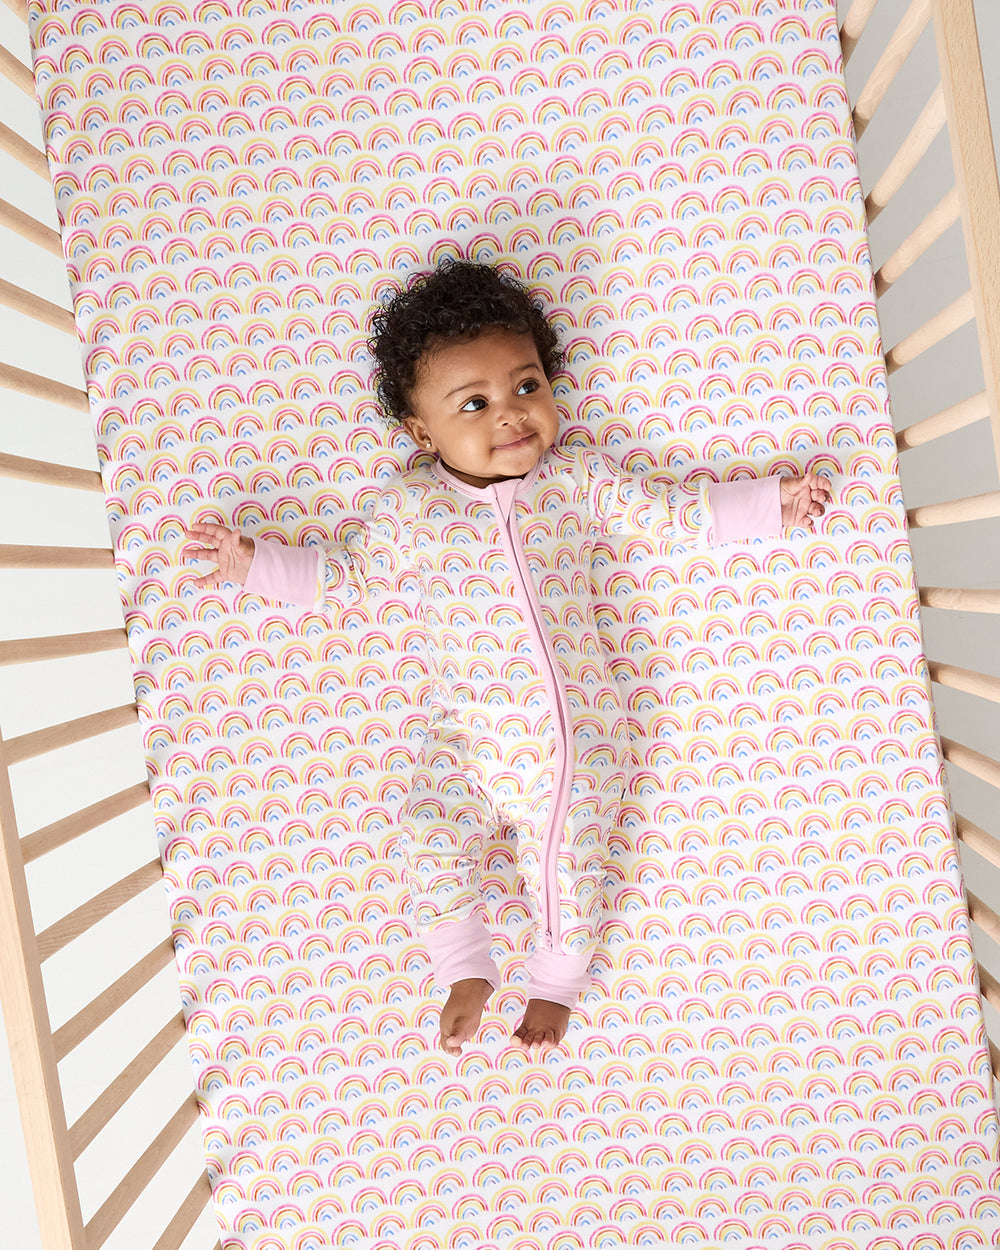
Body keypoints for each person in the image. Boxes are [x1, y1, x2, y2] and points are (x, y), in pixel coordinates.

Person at [184, 259, 831, 1055]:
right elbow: (342, 576)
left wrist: (772, 502)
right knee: (424, 824)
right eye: (475, 404)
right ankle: (464, 965)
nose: (511, 416)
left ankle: (555, 982)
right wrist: (249, 562)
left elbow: (671, 513)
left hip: (574, 744)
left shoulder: (574, 481)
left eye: (526, 387)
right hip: (468, 738)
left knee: (570, 864)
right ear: (424, 433)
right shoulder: (410, 510)